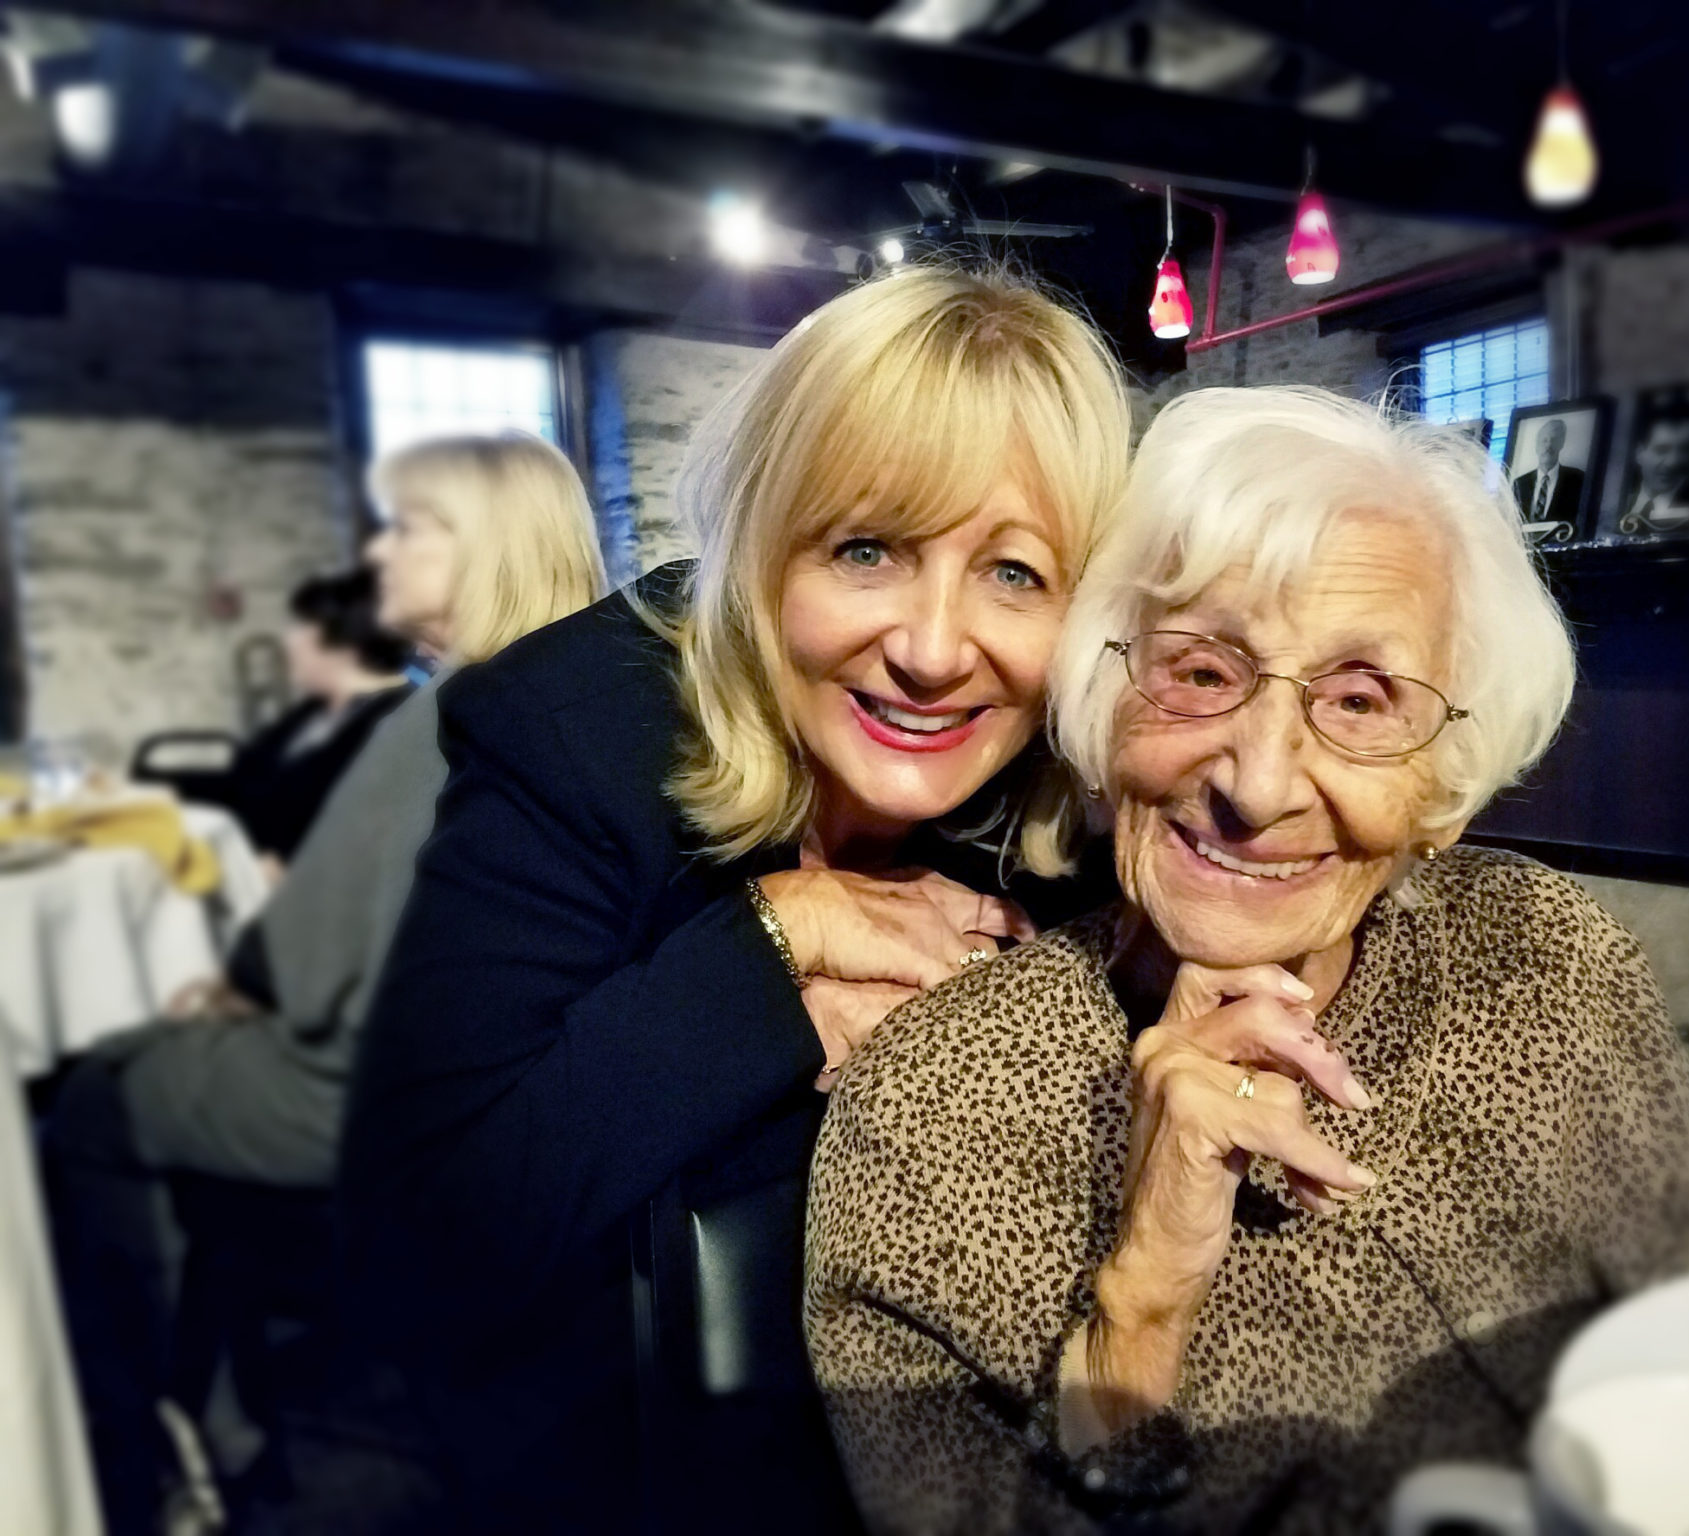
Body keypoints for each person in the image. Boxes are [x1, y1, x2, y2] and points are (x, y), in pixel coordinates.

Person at [806, 386, 1689, 1535]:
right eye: (1201, 672)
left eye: (1360, 700)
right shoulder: (933, 1110)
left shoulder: (1546, 962)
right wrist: (1142, 1301)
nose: (1256, 785)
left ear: (1444, 786)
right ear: (1106, 711)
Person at [337, 266, 1131, 1533]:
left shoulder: (1080, 783)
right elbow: (423, 1236)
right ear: (764, 552)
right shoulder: (578, 733)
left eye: (1015, 575)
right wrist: (776, 942)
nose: (932, 649)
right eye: (865, 549)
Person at [39, 432, 606, 1536]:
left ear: (486, 547)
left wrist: (231, 988)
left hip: (378, 1103)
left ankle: (164, 1434)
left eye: (407, 527)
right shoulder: (587, 708)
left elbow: (301, 976)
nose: (376, 553)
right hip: (528, 1096)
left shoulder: (436, 722)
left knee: (92, 1102)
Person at [215, 569, 413, 870]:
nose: (288, 641)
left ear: (341, 641)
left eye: (301, 626)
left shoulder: (393, 723)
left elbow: (363, 844)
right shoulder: (314, 710)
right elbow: (242, 779)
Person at [1618, 396, 1689, 534]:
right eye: (1662, 450)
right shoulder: (1615, 504)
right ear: (1638, 452)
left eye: (1685, 449)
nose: (1673, 462)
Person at [1510, 416, 1584, 530]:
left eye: (1554, 440)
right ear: (1536, 446)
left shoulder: (1578, 479)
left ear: (1561, 444)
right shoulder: (1519, 484)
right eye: (1544, 440)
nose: (1548, 446)